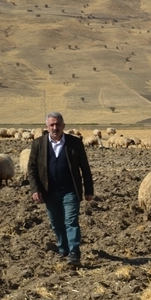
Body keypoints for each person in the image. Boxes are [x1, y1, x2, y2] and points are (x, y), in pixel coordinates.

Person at [27, 112, 94, 266]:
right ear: (47, 127)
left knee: (71, 221)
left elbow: (85, 167)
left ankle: (74, 253)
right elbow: (32, 168)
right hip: (49, 191)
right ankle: (63, 248)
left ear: (63, 126)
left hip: (70, 190)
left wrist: (89, 190)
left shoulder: (74, 143)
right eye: (52, 125)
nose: (55, 128)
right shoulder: (38, 144)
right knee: (56, 223)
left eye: (58, 124)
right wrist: (35, 189)